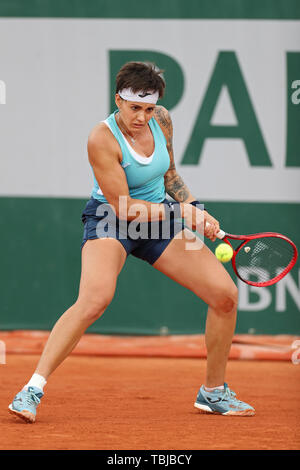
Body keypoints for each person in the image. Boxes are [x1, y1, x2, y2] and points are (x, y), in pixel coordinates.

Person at [8, 61, 255, 422]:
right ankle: (32, 388)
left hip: (161, 216)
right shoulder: (101, 138)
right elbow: (124, 209)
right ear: (118, 100)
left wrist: (193, 208)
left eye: (149, 108)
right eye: (134, 107)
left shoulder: (162, 120)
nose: (142, 117)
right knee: (95, 299)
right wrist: (183, 215)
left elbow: (170, 174)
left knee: (225, 296)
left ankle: (213, 392)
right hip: (112, 218)